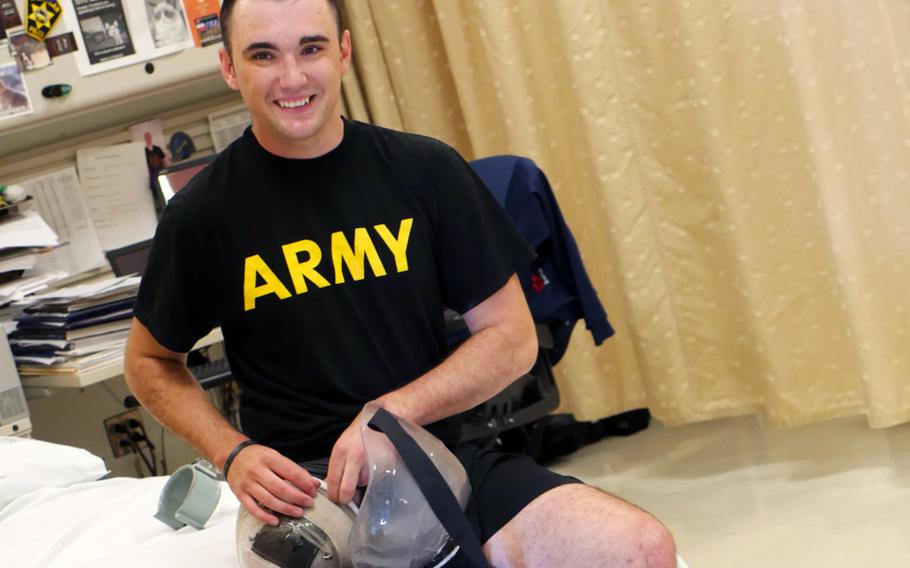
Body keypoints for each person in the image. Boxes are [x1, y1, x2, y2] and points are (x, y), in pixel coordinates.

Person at [123, 0, 677, 565]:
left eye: (311, 48)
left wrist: (392, 414)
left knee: (640, 547)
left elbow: (512, 339)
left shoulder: (425, 171)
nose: (292, 78)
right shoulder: (202, 217)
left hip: (442, 454)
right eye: (263, 56)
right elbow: (149, 362)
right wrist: (233, 453)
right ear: (229, 68)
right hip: (305, 489)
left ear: (342, 51)